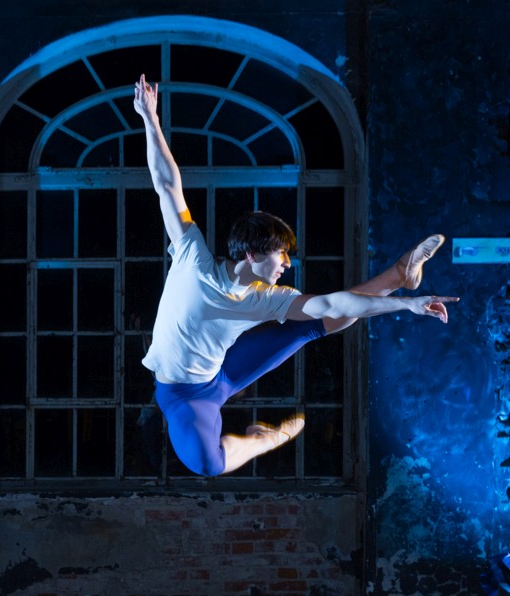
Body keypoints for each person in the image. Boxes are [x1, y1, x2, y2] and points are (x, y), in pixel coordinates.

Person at [133, 74, 458, 477]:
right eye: (281, 254)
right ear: (252, 254)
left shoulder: (266, 297)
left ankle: (400, 274)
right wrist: (150, 119)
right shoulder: (191, 257)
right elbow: (167, 185)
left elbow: (333, 303)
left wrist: (407, 305)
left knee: (320, 322)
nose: (287, 263)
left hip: (222, 372)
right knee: (206, 463)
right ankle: (264, 439)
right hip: (184, 395)